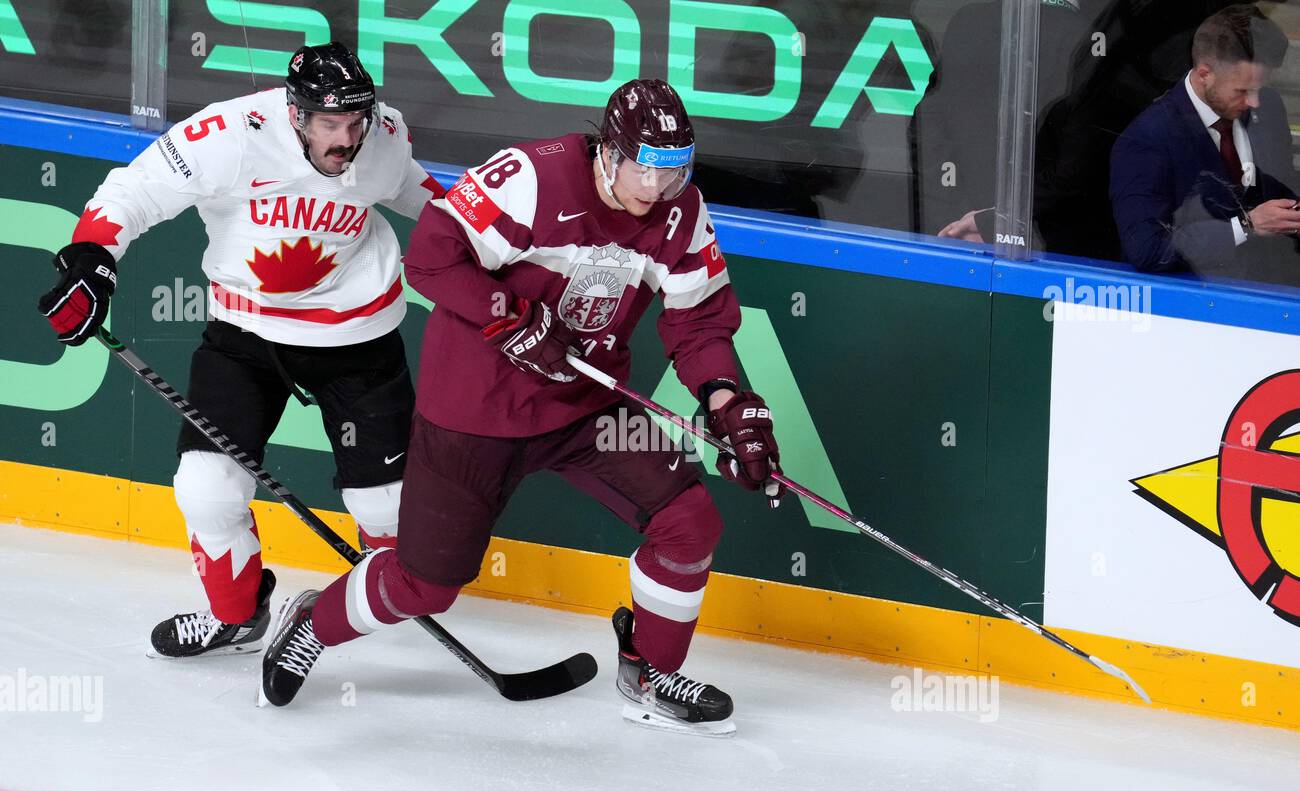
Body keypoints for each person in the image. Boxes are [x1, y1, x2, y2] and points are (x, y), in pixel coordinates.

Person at [258, 79, 783, 736]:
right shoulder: (532, 178)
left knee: (689, 521)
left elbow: (699, 322)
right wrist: (509, 316)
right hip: (476, 409)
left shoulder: (681, 212)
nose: (655, 187)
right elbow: (432, 256)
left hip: (586, 407)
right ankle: (313, 622)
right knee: (426, 583)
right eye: (643, 168)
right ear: (608, 153)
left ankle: (649, 670)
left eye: (673, 170)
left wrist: (727, 400)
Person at [37, 42, 443, 658]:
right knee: (207, 488)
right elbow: (135, 190)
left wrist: (487, 256)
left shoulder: (381, 135)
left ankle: (363, 604)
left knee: (387, 508)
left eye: (355, 122)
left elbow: (421, 194)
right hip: (246, 335)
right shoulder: (227, 134)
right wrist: (94, 259)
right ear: (296, 114)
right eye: (330, 124)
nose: (346, 137)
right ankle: (236, 615)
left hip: (356, 337)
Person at [1110, 5, 1300, 279]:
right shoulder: (1146, 139)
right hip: (1195, 304)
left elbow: (1280, 184)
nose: (1254, 102)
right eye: (1243, 90)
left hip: (1273, 290)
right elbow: (1148, 249)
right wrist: (1245, 226)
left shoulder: (1267, 106)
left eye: (1260, 88)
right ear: (1204, 75)